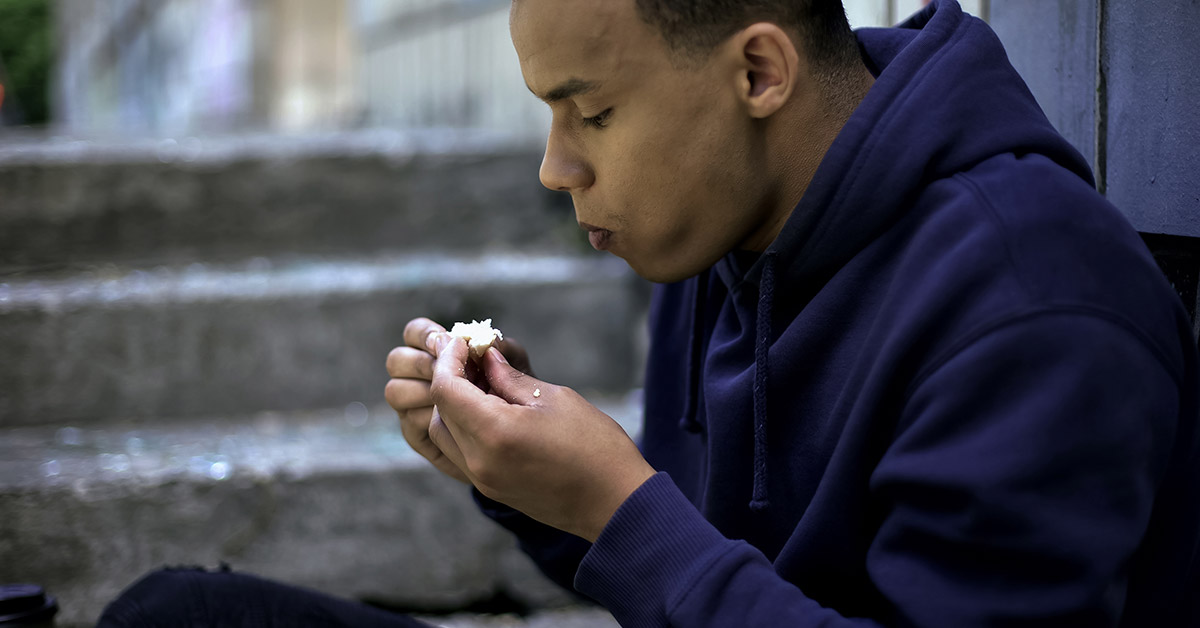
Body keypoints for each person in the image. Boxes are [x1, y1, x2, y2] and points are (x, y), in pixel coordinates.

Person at [101, 0, 1200, 626]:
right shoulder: (720, 234)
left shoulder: (1033, 303)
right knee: (185, 619)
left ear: (758, 70)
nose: (553, 167)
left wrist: (621, 508)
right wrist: (538, 489)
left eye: (594, 112)